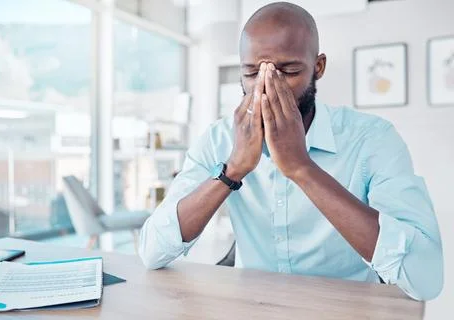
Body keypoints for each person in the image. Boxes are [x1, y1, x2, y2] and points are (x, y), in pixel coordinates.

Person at [138, 2, 443, 301]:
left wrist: (302, 168)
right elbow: (152, 251)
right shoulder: (219, 138)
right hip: (253, 307)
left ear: (318, 67)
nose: (266, 87)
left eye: (289, 71)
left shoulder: (372, 138)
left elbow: (425, 278)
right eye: (251, 73)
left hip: (344, 308)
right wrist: (232, 170)